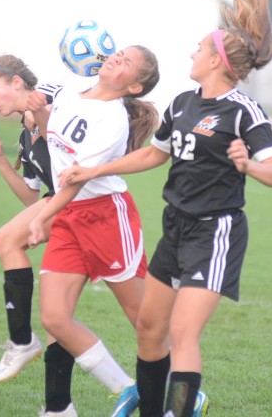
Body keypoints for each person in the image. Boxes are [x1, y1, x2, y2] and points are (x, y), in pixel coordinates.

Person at [58, 0, 272, 417]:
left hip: (214, 232)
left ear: (218, 62)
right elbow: (153, 156)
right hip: (175, 229)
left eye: (200, 48)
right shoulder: (183, 102)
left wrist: (248, 165)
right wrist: (96, 169)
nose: (192, 52)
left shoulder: (243, 111)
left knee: (182, 334)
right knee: (148, 328)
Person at [27, 45, 160, 417]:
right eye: (118, 53)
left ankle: (184, 388)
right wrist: (34, 106)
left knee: (146, 321)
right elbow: (50, 131)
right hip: (70, 218)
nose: (116, 57)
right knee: (54, 318)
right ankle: (124, 389)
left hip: (106, 219)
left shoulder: (113, 120)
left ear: (134, 87)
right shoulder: (72, 91)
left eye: (127, 62)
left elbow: (73, 180)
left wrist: (41, 217)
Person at [0, 56, 78, 414]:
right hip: (61, 203)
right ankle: (59, 407)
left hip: (86, 200)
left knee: (6, 239)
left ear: (17, 83)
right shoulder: (25, 132)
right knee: (58, 318)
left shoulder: (53, 97)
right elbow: (31, 196)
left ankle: (22, 341)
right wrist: (1, 162)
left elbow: (76, 140)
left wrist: (46, 115)